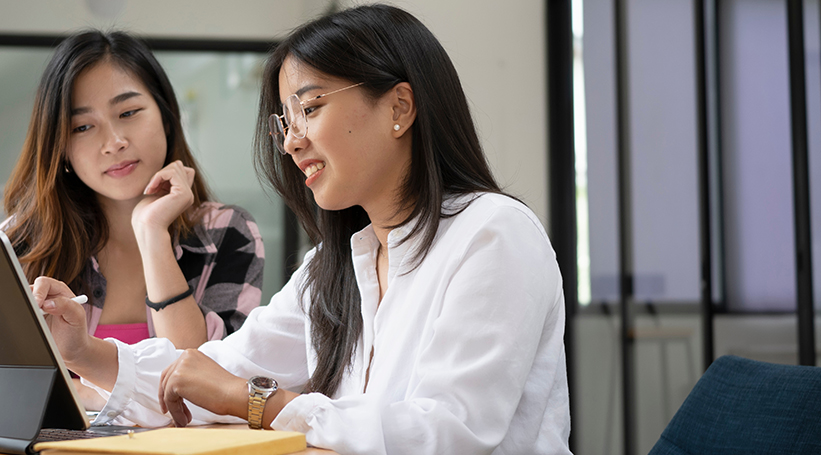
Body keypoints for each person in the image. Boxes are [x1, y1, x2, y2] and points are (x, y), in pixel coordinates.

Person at [34, 5, 570, 454]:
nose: (291, 142)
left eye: (310, 108)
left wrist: (259, 402)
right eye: (285, 122)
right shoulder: (335, 263)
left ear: (400, 108)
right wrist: (82, 350)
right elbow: (208, 373)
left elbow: (449, 433)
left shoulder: (492, 234)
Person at [0, 31, 265, 417]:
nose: (114, 141)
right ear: (62, 149)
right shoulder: (25, 240)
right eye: (82, 127)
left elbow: (213, 387)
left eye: (128, 113)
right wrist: (78, 396)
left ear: (167, 118)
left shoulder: (228, 233)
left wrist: (152, 234)